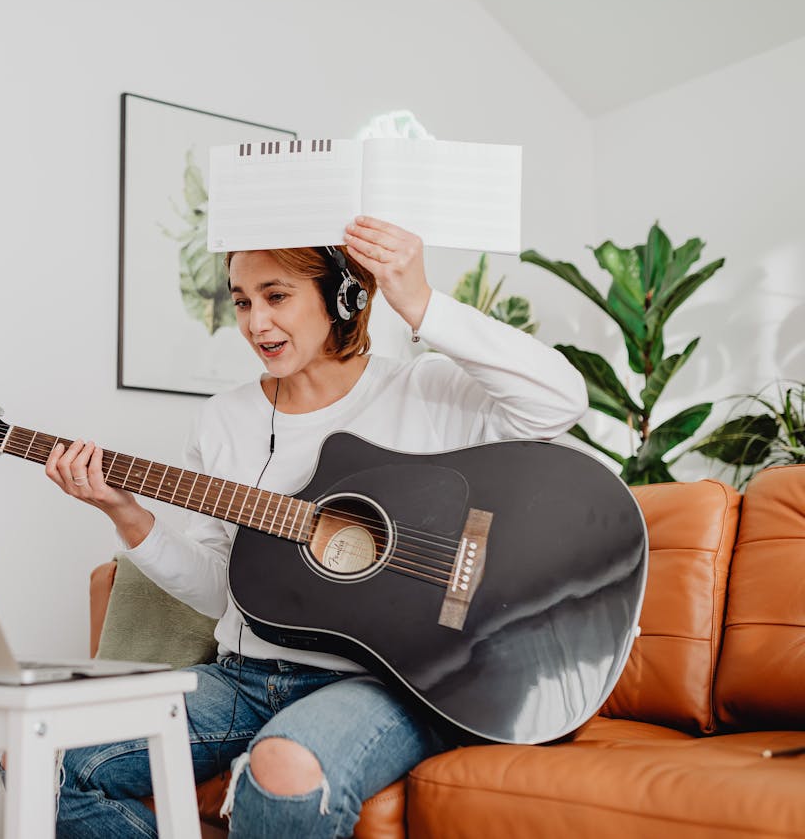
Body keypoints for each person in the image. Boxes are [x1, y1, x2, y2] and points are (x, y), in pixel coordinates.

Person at [40, 216, 588, 838]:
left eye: (276, 296)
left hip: (385, 681)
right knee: (49, 762)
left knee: (283, 770)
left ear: (341, 295)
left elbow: (561, 401)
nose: (256, 323)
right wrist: (126, 512)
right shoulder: (223, 422)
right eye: (243, 301)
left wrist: (422, 303)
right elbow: (223, 590)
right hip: (244, 678)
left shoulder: (427, 391)